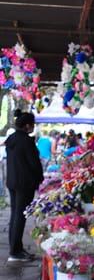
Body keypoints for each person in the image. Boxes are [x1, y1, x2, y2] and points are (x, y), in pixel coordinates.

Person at [6, 110, 43, 263]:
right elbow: (33, 163)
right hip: (24, 183)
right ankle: (15, 252)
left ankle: (16, 248)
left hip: (13, 181)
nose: (33, 127)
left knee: (15, 215)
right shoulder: (26, 141)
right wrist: (39, 178)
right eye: (33, 124)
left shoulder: (12, 139)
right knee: (20, 216)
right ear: (27, 125)